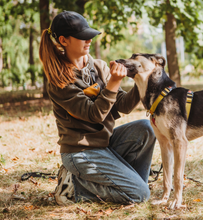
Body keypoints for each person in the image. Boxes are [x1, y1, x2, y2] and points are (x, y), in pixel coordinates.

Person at [39, 11, 156, 206]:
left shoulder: (99, 67)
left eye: (90, 35)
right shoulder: (60, 81)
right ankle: (76, 187)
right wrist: (113, 83)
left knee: (146, 128)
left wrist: (141, 79)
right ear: (63, 40)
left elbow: (124, 106)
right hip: (80, 153)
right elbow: (94, 115)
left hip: (104, 144)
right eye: (83, 36)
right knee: (141, 195)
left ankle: (132, 184)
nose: (89, 39)